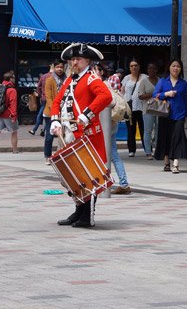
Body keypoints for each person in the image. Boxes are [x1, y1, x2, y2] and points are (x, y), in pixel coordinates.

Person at [50, 43, 112, 228]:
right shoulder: (70, 80)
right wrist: (55, 120)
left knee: (89, 177)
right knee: (73, 177)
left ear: (87, 61)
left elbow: (105, 97)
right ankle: (78, 211)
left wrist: (87, 114)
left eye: (78, 59)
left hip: (87, 136)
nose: (74, 62)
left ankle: (87, 215)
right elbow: (58, 101)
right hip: (70, 135)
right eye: (73, 59)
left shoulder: (92, 79)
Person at [93, 64, 132, 195]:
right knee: (112, 154)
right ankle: (122, 183)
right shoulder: (106, 83)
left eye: (94, 70)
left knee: (109, 154)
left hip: (106, 124)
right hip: (111, 123)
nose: (91, 72)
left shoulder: (100, 85)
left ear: (101, 72)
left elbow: (106, 103)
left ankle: (109, 183)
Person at [153, 59, 187, 174]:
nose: (175, 68)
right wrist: (166, 94)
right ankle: (167, 163)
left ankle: (175, 164)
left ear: (181, 69)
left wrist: (186, 114)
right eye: (173, 66)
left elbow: (185, 100)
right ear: (169, 68)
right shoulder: (163, 81)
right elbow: (155, 94)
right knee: (166, 138)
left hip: (179, 114)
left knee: (177, 138)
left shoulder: (183, 84)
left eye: (178, 66)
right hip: (165, 114)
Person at [120, 59, 147, 157]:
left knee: (144, 129)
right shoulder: (126, 78)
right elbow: (122, 92)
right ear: (129, 67)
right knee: (131, 130)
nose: (134, 67)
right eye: (131, 66)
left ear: (139, 66)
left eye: (135, 65)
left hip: (142, 107)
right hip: (130, 108)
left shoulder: (144, 77)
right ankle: (131, 150)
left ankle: (147, 149)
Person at [43, 60, 66, 164]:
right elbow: (48, 97)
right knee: (50, 135)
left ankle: (62, 154)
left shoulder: (67, 79)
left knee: (64, 135)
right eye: (57, 67)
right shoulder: (50, 80)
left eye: (61, 67)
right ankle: (47, 156)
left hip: (64, 112)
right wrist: (55, 112)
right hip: (50, 112)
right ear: (54, 67)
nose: (60, 69)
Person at [0, 71, 19, 153]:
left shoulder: (0, 87)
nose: (14, 80)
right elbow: (13, 103)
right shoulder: (12, 90)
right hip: (8, 114)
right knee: (14, 132)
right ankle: (15, 150)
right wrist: (14, 115)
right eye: (13, 78)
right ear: (10, 79)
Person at [137, 62, 159, 159]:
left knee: (158, 130)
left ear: (156, 70)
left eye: (153, 68)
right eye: (149, 69)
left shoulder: (160, 80)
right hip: (148, 109)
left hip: (159, 109)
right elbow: (140, 96)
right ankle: (148, 152)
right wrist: (153, 94)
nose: (151, 71)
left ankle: (158, 150)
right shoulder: (144, 81)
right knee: (148, 131)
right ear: (147, 70)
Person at [29, 65, 53, 136]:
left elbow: (38, 87)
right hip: (52, 99)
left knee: (41, 114)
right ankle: (43, 130)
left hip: (44, 98)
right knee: (48, 115)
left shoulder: (44, 76)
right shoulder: (56, 77)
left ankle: (35, 129)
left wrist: (40, 95)